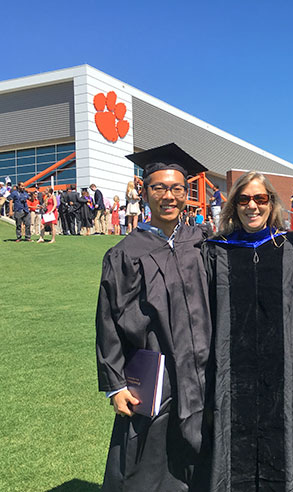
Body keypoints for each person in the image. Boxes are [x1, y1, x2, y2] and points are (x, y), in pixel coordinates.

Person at [96, 143, 211, 492]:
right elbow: (108, 322)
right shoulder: (126, 253)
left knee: (206, 452)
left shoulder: (203, 241)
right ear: (144, 191)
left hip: (206, 367)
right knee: (149, 461)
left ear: (187, 193)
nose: (169, 196)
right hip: (156, 372)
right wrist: (115, 385)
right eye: (159, 187)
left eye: (177, 188)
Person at [202, 171, 293, 491]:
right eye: (244, 199)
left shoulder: (291, 247)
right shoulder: (214, 250)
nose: (252, 206)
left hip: (284, 370)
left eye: (260, 199)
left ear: (272, 203)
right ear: (234, 205)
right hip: (231, 369)